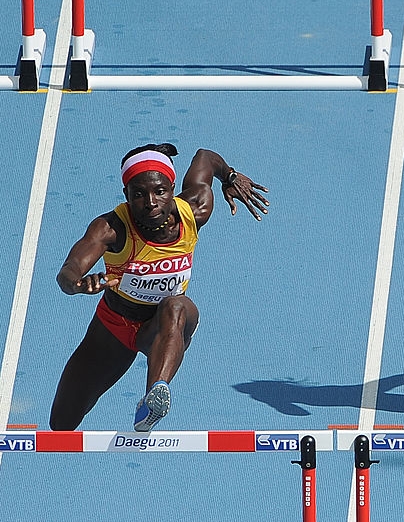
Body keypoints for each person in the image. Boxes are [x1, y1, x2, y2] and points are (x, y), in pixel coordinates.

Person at [50, 144, 269, 432]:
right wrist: (78, 285)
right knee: (61, 424)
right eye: (138, 194)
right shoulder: (110, 228)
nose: (151, 202)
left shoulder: (194, 209)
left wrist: (229, 177)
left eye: (160, 191)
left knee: (176, 305)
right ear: (126, 195)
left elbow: (206, 157)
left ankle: (154, 398)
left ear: (172, 188)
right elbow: (68, 272)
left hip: (162, 329)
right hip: (113, 328)